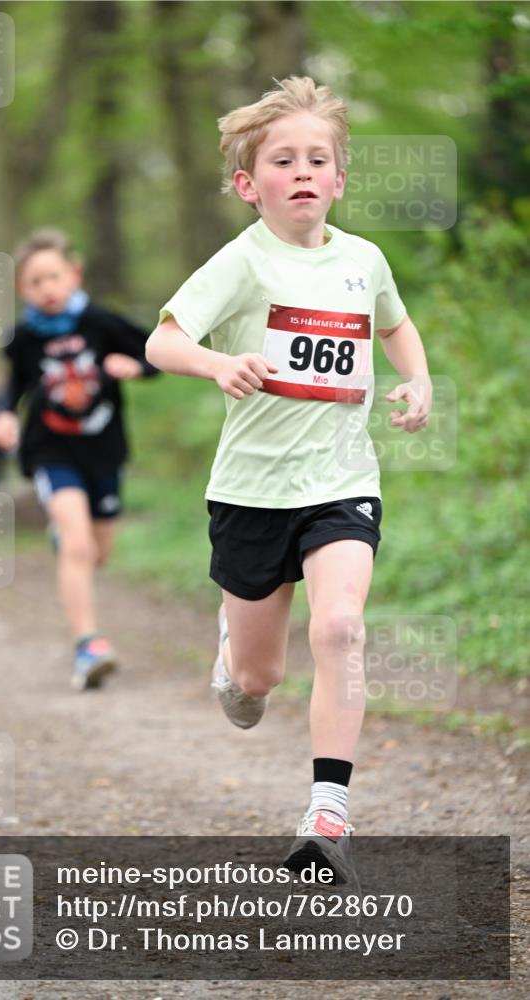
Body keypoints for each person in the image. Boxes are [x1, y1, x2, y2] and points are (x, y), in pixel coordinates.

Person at [145, 77, 432, 879]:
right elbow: (161, 342)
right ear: (248, 185)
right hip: (251, 493)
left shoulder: (363, 260)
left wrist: (416, 379)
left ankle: (327, 814)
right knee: (254, 682)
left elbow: (395, 324)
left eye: (316, 159)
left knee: (340, 627)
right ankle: (232, 650)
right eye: (282, 161)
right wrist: (216, 363)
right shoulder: (241, 262)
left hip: (341, 483)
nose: (301, 171)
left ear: (338, 178)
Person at [0, 228, 158, 690]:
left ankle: (65, 538)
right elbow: (16, 384)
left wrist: (136, 367)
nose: (46, 288)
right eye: (35, 282)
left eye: (53, 277)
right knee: (78, 544)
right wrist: (6, 414)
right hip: (51, 450)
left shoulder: (102, 322)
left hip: (104, 450)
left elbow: (156, 352)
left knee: (97, 552)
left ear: (74, 274)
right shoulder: (23, 338)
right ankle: (88, 645)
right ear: (22, 290)